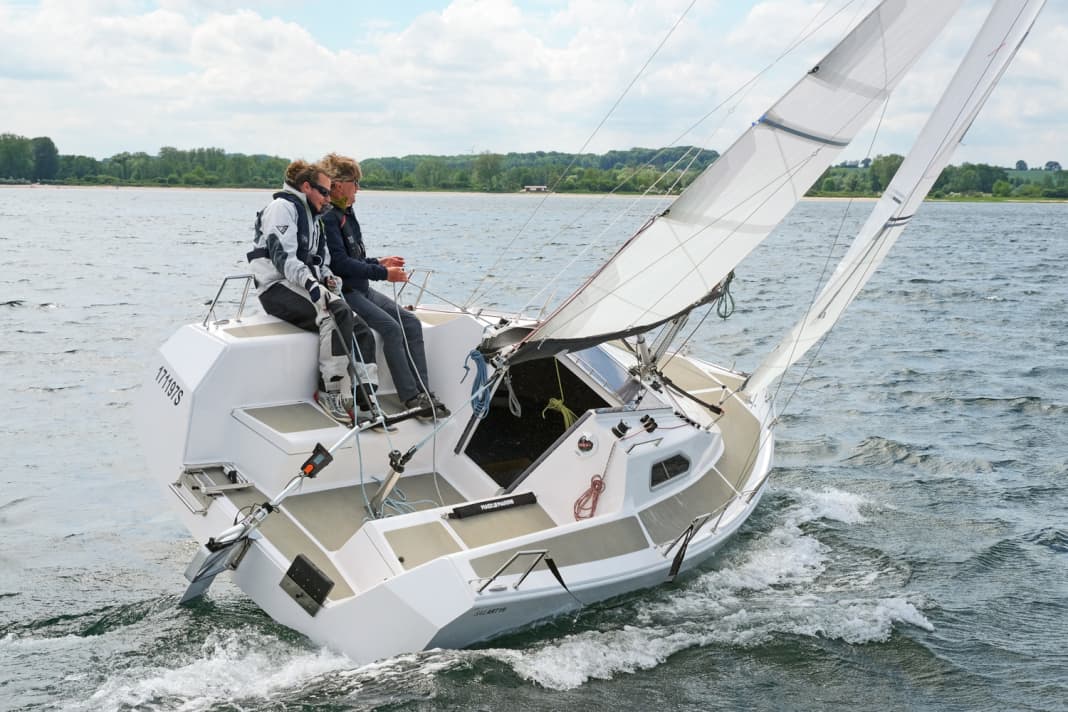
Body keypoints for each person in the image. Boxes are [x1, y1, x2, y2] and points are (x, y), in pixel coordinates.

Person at [246, 159, 379, 426]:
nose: (329, 199)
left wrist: (327, 278)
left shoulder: (314, 218)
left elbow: (321, 260)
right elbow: (283, 257)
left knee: (361, 329)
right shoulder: (281, 209)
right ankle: (330, 393)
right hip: (277, 287)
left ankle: (366, 402)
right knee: (335, 312)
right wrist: (312, 285)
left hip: (303, 285)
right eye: (325, 192)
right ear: (306, 187)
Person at [319, 152, 449, 419]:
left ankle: (424, 390)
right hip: (348, 291)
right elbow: (340, 265)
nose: (358, 189)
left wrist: (379, 261)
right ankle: (410, 397)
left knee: (410, 322)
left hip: (363, 288)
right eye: (355, 183)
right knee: (391, 329)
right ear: (339, 184)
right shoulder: (330, 218)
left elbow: (353, 257)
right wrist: (383, 273)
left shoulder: (347, 214)